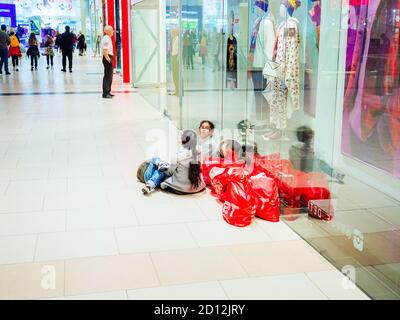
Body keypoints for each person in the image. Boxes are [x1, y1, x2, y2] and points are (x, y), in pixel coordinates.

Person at [141, 129, 206, 195]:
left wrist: (164, 166)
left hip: (180, 189)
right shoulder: (199, 151)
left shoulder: (177, 156)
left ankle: (150, 184)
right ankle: (151, 181)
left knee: (161, 171)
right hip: (198, 187)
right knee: (162, 165)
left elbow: (169, 172)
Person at [101, 25, 114, 99]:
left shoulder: (108, 38)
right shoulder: (106, 39)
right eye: (112, 30)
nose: (113, 31)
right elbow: (105, 50)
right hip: (107, 57)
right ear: (108, 31)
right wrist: (109, 59)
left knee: (110, 76)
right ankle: (105, 93)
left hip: (108, 57)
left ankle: (108, 91)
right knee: (107, 76)